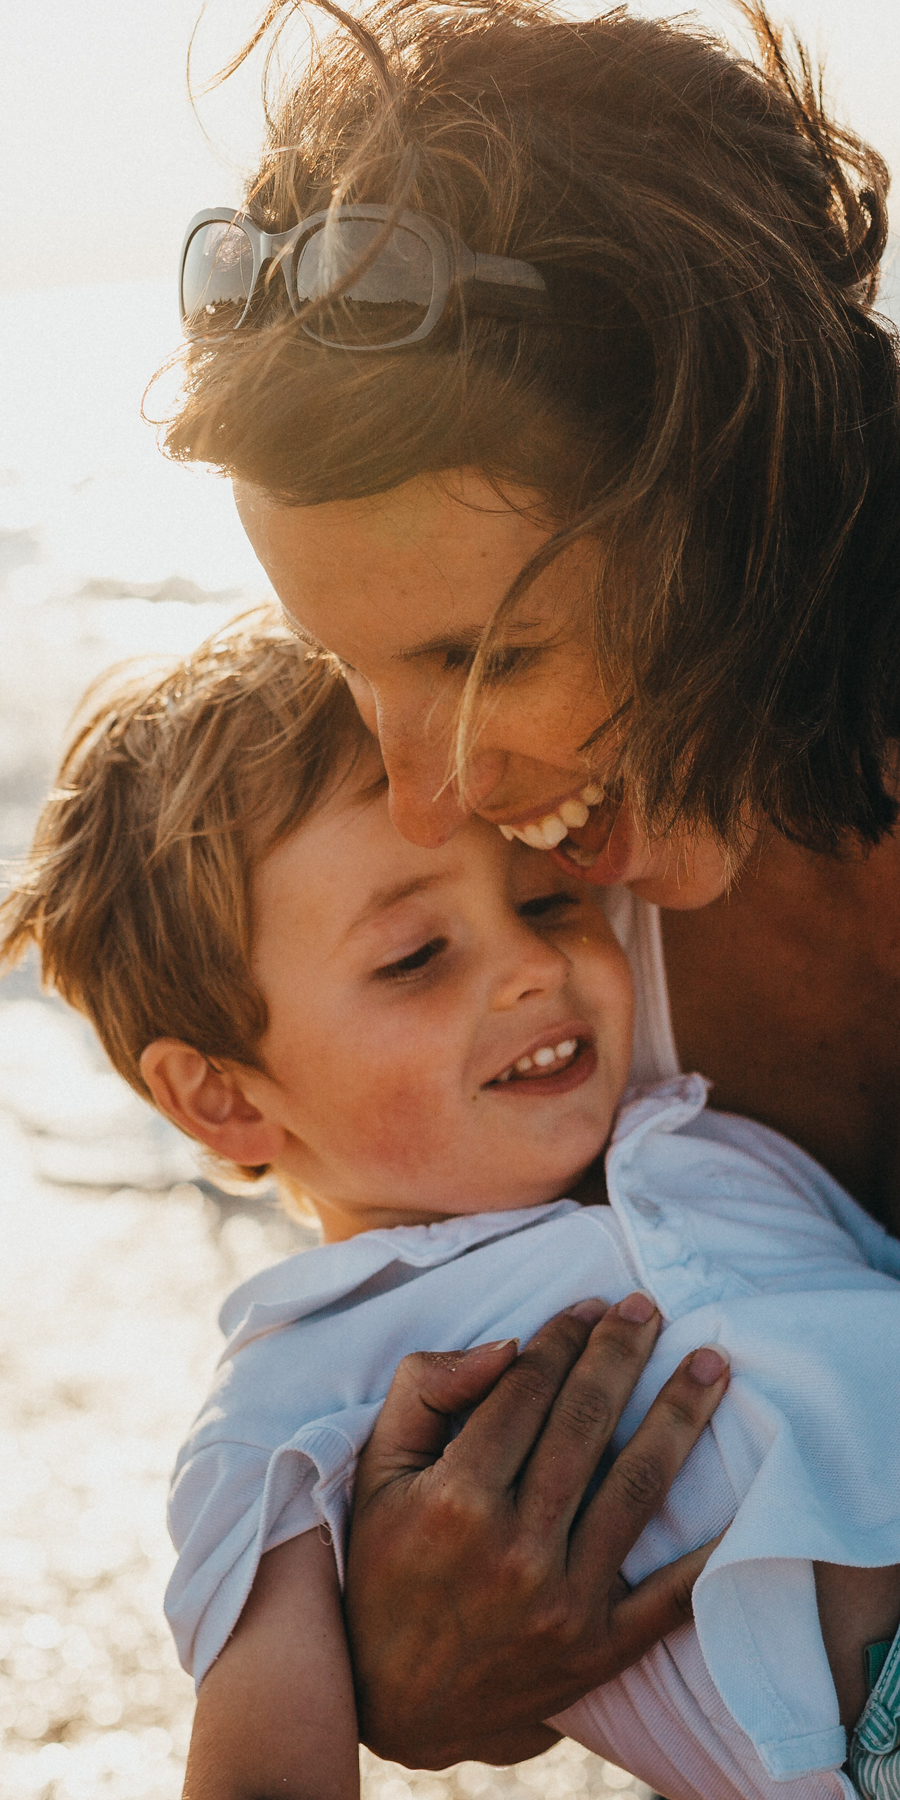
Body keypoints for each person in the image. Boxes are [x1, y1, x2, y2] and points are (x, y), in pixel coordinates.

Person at [160, 0, 900, 1778]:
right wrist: (401, 1663)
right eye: (350, 666)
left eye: (486, 654)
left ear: (745, 512)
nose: (431, 791)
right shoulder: (552, 935)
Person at [4, 619, 900, 1800]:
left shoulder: (712, 1140)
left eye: (548, 901)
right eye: (418, 955)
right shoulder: (299, 1389)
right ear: (219, 1094)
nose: (530, 967)